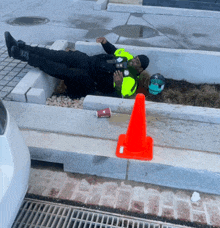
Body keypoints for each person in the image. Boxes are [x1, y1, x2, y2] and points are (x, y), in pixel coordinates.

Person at [4, 31, 150, 99]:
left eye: (136, 62)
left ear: (140, 69)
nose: (133, 61)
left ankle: (20, 54)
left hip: (88, 78)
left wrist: (118, 85)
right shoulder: (128, 56)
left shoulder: (131, 82)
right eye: (135, 58)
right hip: (86, 60)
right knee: (54, 54)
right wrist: (105, 43)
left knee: (56, 68)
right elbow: (114, 51)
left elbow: (119, 98)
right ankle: (21, 46)